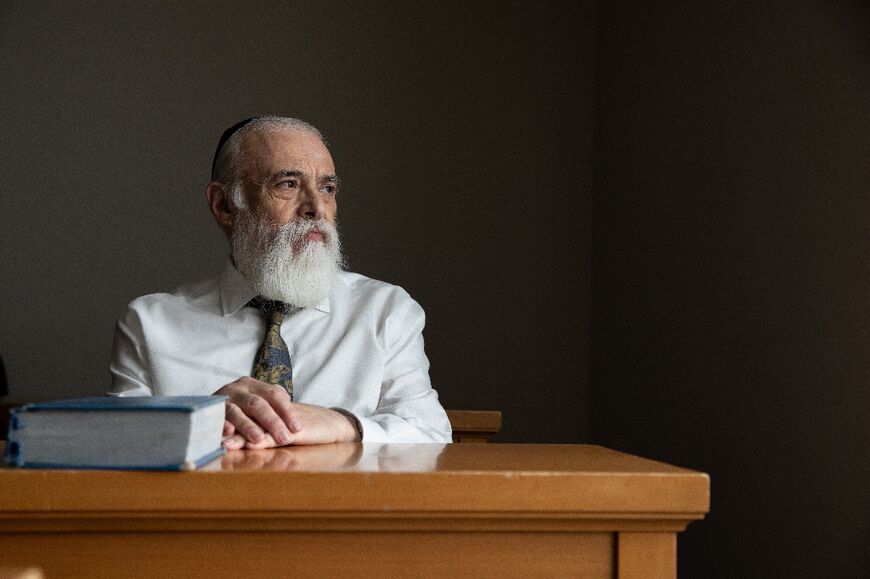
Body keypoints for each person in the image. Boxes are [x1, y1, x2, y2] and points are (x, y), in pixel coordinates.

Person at [109, 116, 451, 448]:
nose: (317, 207)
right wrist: (201, 420)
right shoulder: (149, 324)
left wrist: (342, 424)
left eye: (327, 188)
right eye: (288, 184)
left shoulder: (386, 312)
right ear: (224, 204)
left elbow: (431, 434)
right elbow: (116, 448)